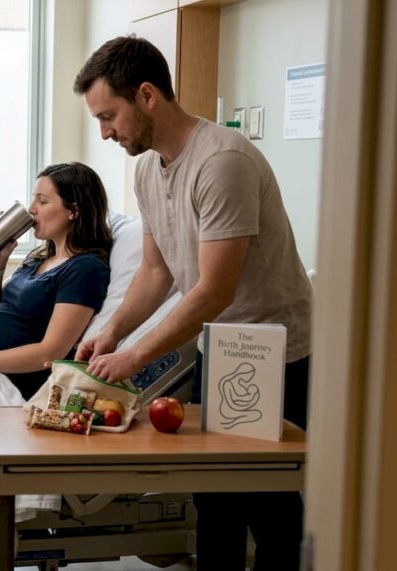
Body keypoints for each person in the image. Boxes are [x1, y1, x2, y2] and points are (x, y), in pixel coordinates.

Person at [72, 36, 313, 570]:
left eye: (109, 116)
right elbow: (156, 272)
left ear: (147, 95)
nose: (105, 132)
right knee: (214, 494)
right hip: (219, 344)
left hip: (275, 351)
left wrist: (134, 357)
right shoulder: (146, 168)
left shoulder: (222, 162)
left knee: (269, 502)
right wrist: (112, 333)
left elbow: (212, 289)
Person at [0, 162, 113, 400]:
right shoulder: (39, 258)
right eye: (33, 199)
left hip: (3, 381)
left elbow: (51, 352)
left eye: (42, 201)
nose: (31, 209)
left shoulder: (85, 269)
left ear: (73, 210)